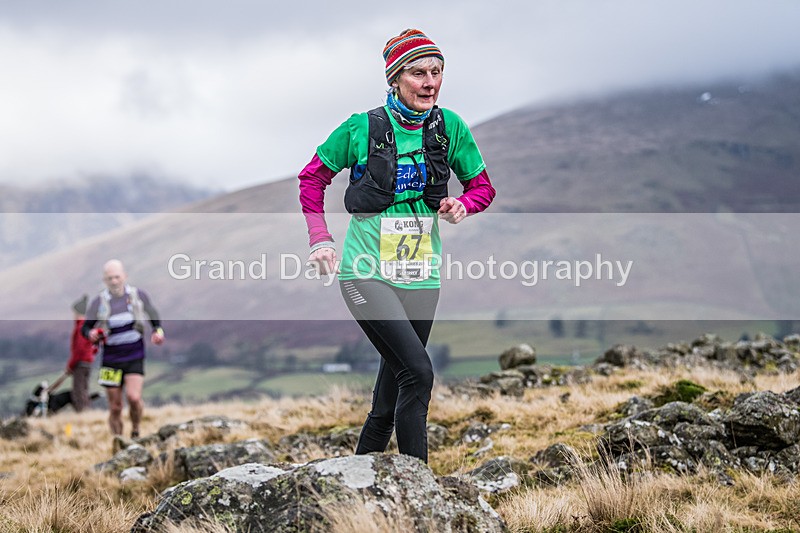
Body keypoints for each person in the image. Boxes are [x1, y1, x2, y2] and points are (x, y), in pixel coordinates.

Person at [298, 29, 495, 463]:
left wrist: (463, 204)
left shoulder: (450, 128)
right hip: (365, 274)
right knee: (420, 372)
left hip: (421, 277)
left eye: (437, 72)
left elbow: (483, 188)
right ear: (395, 78)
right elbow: (312, 178)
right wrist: (320, 240)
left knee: (392, 395)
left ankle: (355, 487)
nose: (430, 82)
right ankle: (419, 488)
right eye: (419, 72)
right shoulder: (361, 128)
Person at [82, 259, 164, 437]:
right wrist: (91, 334)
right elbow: (85, 328)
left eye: (117, 277)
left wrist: (157, 330)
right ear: (105, 280)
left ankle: (135, 430)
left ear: (124, 276)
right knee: (115, 406)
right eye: (110, 278)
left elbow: (152, 312)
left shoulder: (138, 295)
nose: (114, 281)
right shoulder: (99, 302)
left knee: (134, 398)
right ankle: (118, 441)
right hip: (110, 359)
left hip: (135, 355)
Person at [65, 294, 97, 412]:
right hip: (87, 362)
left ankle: (82, 413)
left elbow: (79, 349)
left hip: (80, 363)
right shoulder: (88, 327)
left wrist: (70, 365)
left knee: (78, 391)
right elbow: (93, 347)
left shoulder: (80, 328)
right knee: (84, 389)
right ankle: (86, 411)